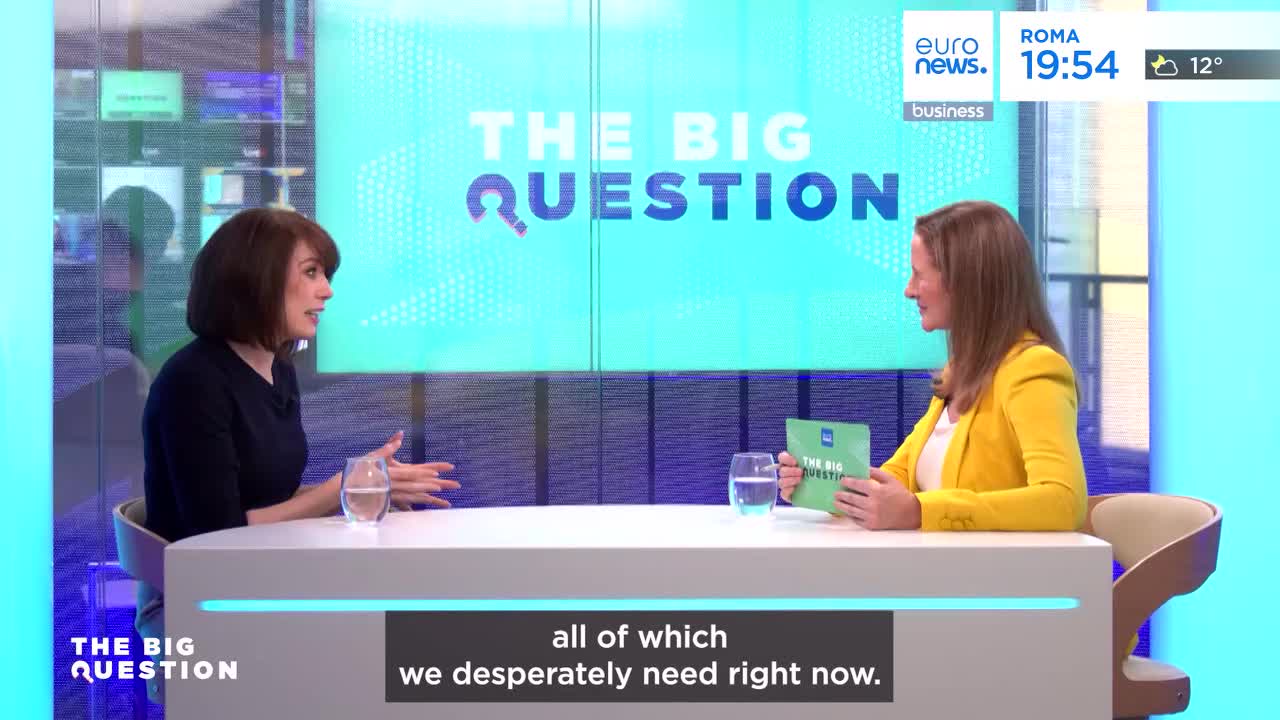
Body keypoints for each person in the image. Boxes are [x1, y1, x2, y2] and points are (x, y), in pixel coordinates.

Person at [134, 208, 460, 701]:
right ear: (256, 278)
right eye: (311, 273)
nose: (326, 290)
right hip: (196, 608)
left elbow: (267, 498)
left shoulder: (278, 369)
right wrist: (340, 490)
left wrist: (366, 488)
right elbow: (217, 536)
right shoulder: (194, 381)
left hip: (260, 585)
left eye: (325, 275)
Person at [779, 200, 1087, 532]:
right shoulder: (960, 372)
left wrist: (921, 512)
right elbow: (897, 480)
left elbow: (1063, 502)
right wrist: (821, 481)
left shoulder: (1034, 370)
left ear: (966, 282)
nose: (909, 290)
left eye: (919, 274)